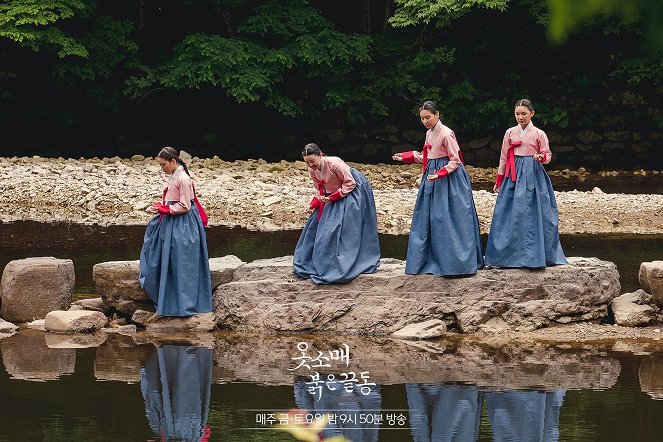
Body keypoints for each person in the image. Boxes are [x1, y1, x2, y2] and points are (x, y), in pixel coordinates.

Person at [393, 101, 483, 276]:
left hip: (449, 180)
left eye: (428, 117)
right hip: (433, 177)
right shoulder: (429, 133)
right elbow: (426, 156)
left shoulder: (447, 134)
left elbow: (455, 160)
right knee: (431, 218)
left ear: (437, 115)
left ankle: (456, 262)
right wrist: (407, 156)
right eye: (422, 118)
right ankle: (434, 260)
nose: (425, 121)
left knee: (448, 218)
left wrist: (441, 173)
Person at [484, 99, 567, 268]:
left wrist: (540, 157)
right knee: (509, 214)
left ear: (532, 114)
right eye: (517, 114)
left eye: (523, 113)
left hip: (533, 173)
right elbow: (503, 157)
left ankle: (536, 256)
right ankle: (509, 256)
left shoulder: (539, 134)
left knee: (536, 213)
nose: (520, 117)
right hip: (513, 174)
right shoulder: (509, 133)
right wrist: (499, 179)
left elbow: (548, 154)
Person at [138, 147, 213, 316]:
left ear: (173, 161)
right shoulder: (175, 176)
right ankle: (170, 301)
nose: (161, 168)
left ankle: (183, 305)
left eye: (163, 165)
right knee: (162, 256)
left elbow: (185, 206)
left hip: (183, 224)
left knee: (182, 262)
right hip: (173, 221)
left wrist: (164, 209)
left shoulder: (184, 179)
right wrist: (161, 207)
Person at [293, 143, 380, 284]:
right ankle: (316, 261)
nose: (310, 165)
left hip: (351, 191)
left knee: (342, 226)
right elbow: (319, 188)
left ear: (320, 155)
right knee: (316, 228)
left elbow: (350, 183)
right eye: (307, 162)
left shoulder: (334, 164)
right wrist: (317, 201)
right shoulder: (312, 171)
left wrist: (333, 197)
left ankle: (347, 260)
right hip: (330, 195)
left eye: (312, 161)